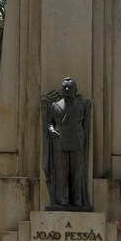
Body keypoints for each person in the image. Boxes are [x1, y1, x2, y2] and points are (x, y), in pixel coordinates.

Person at [46, 77, 91, 208]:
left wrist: (83, 137)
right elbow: (49, 123)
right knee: (62, 172)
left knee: (77, 173)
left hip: (77, 142)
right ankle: (63, 200)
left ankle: (77, 199)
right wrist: (52, 130)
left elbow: (86, 126)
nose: (66, 89)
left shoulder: (82, 105)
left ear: (75, 90)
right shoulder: (55, 106)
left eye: (69, 87)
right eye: (64, 87)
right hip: (60, 142)